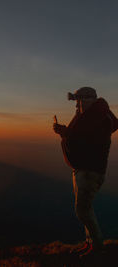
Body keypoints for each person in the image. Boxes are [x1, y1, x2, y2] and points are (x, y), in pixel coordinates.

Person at [53, 87, 118, 257]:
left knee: (82, 210)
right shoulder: (93, 118)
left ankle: (97, 246)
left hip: (91, 171)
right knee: (85, 209)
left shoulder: (100, 119)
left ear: (87, 100)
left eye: (79, 101)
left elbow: (86, 141)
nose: (77, 105)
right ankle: (90, 243)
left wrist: (65, 132)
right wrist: (66, 132)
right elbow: (81, 136)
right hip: (84, 170)